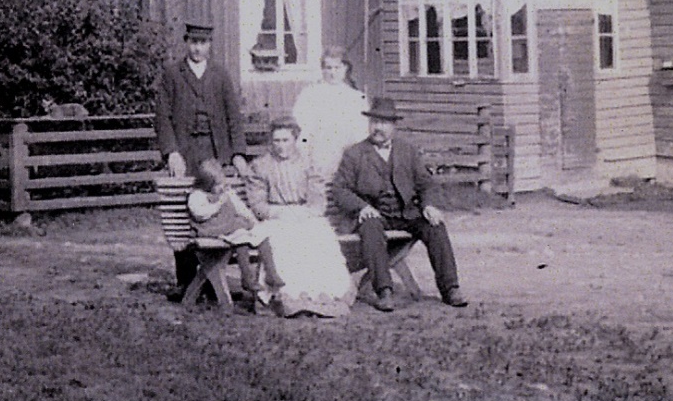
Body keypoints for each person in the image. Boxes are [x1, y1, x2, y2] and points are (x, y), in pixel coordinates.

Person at [331, 97, 468, 312]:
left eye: (384, 123)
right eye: (375, 122)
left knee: (435, 226)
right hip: (373, 213)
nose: (378, 128)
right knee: (370, 227)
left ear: (394, 126)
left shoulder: (408, 151)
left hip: (406, 214)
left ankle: (450, 288)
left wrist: (428, 205)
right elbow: (339, 190)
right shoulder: (355, 154)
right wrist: (362, 207)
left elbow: (425, 184)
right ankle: (384, 291)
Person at [155, 22, 249, 292]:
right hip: (184, 152)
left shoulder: (220, 75)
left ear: (210, 45)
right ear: (186, 43)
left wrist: (238, 154)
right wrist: (171, 152)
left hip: (214, 151)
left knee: (216, 205)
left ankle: (211, 277)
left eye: (203, 42)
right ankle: (186, 281)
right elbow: (162, 117)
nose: (198, 48)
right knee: (184, 210)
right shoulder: (172, 74)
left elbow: (233, 117)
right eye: (193, 42)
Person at [243, 117, 355, 318]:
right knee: (284, 241)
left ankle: (321, 297)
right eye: (276, 141)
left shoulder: (308, 164)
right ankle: (289, 298)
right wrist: (281, 213)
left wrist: (304, 213)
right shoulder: (261, 166)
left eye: (286, 140)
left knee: (320, 236)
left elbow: (318, 201)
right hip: (276, 218)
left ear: (295, 140)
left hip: (305, 215)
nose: (281, 146)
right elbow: (258, 205)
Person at [186, 158, 271, 310]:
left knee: (247, 234)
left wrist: (252, 220)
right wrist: (219, 203)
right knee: (239, 232)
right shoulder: (197, 196)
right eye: (217, 185)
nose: (221, 188)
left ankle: (257, 276)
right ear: (207, 184)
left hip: (226, 228)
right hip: (209, 229)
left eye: (221, 183)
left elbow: (240, 208)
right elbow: (200, 214)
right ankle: (247, 278)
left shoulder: (226, 192)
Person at [291, 47, 367, 182]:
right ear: (322, 69)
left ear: (346, 68)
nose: (332, 73)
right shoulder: (309, 95)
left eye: (337, 68)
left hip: (346, 158)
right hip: (318, 156)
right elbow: (302, 131)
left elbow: (361, 134)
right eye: (328, 68)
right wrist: (305, 160)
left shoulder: (357, 98)